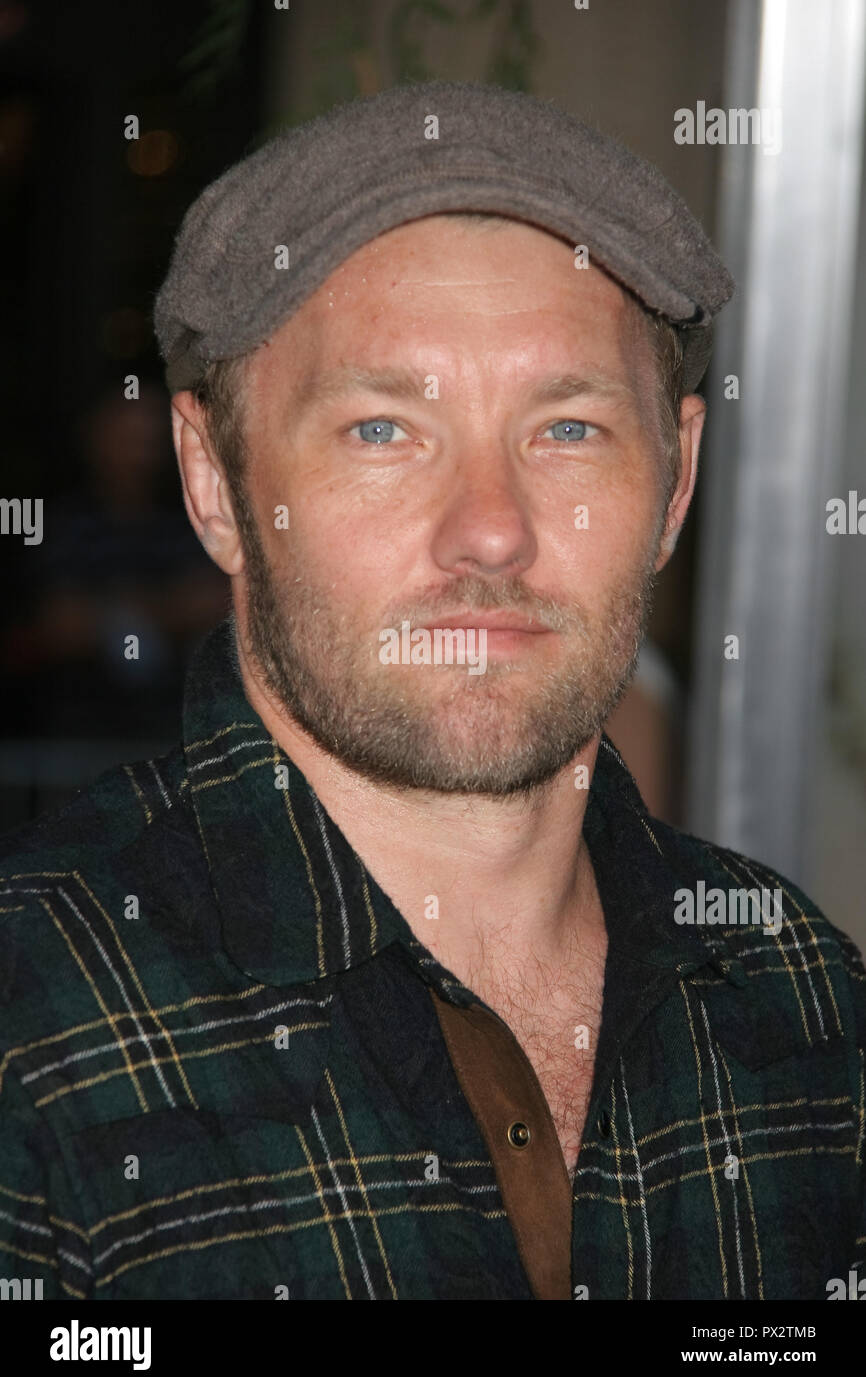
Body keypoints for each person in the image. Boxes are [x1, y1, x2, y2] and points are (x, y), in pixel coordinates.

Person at [1, 80, 863, 1302]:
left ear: (673, 489)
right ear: (212, 483)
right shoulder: (33, 1029)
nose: (490, 533)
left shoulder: (805, 1002)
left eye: (566, 428)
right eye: (381, 431)